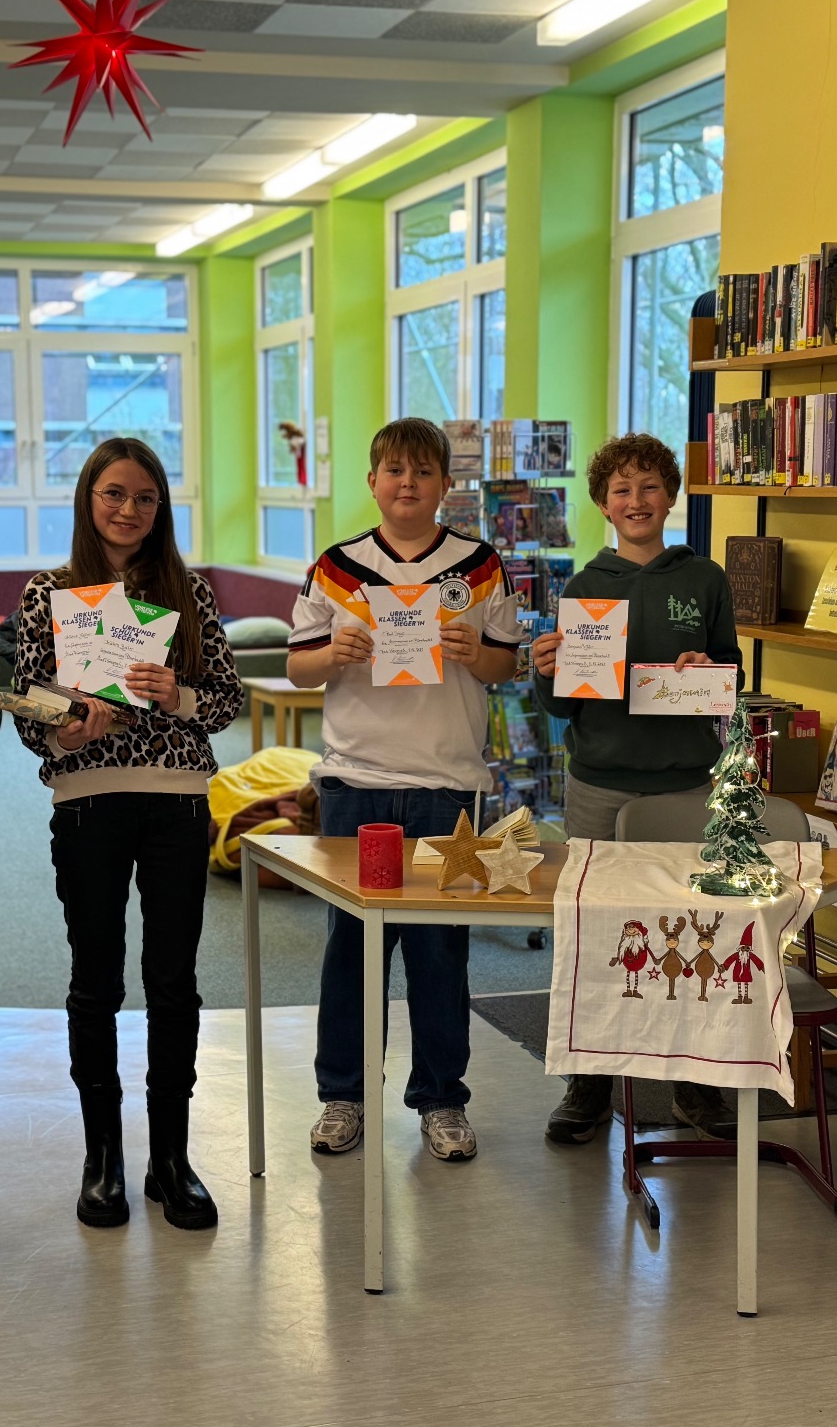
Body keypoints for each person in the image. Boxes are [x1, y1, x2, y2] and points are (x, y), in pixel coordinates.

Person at [12, 437, 242, 1231]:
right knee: (96, 983)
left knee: (173, 982)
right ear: (88, 498)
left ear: (160, 507)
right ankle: (102, 1158)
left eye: (145, 497)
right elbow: (27, 706)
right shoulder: (49, 592)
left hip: (177, 802)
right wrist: (64, 729)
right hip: (88, 802)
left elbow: (227, 701)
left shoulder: (189, 589)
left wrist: (178, 695)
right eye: (114, 493)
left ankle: (170, 1159)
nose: (129, 509)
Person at [287, 417, 522, 1162]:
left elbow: (506, 667)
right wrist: (333, 651)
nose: (408, 483)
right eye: (394, 470)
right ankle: (343, 1096)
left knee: (439, 953)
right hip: (354, 780)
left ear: (445, 485)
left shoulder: (479, 565)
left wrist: (475, 651)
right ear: (372, 481)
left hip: (446, 784)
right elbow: (297, 668)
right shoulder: (337, 567)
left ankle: (443, 1099)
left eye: (422, 472)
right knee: (351, 949)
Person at [529, 433, 741, 1144]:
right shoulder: (583, 589)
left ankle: (695, 1084)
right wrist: (545, 671)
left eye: (650, 487)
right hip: (600, 784)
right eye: (622, 490)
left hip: (685, 786)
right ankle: (587, 1084)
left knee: (693, 931)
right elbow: (564, 705)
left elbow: (730, 682)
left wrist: (707, 671)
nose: (637, 500)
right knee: (594, 933)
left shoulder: (704, 579)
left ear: (671, 496)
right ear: (602, 504)